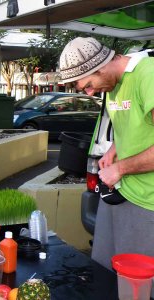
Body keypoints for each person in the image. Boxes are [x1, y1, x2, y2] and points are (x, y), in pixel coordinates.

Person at [59, 37, 154, 272]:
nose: (91, 92)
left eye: (89, 84)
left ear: (100, 66)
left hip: (146, 201)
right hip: (117, 192)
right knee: (103, 271)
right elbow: (131, 128)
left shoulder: (147, 76)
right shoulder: (112, 85)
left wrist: (120, 168)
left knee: (134, 282)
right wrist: (113, 150)